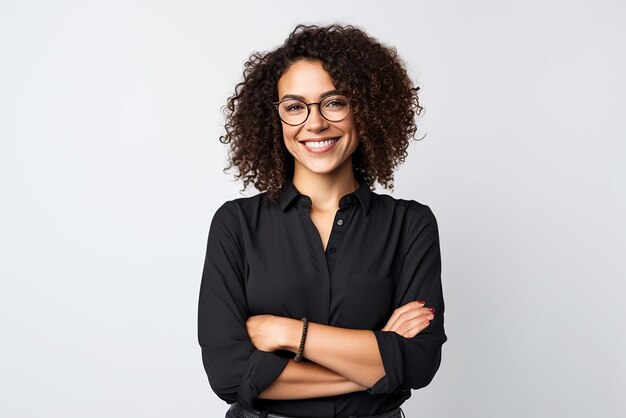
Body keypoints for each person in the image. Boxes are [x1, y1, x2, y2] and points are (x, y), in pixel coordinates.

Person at [197, 24, 447, 418]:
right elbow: (229, 375)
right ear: (276, 120)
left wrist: (287, 333)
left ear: (364, 109)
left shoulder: (410, 225)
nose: (314, 124)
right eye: (295, 107)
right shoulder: (236, 225)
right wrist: (380, 360)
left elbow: (419, 362)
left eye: (334, 102)